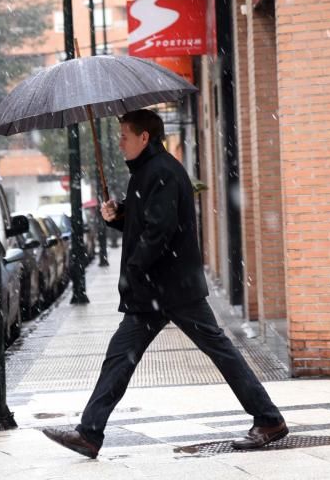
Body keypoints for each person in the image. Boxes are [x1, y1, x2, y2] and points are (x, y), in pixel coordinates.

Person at [42, 109, 287, 459]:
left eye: (125, 135)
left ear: (144, 137)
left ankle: (269, 419)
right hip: (155, 291)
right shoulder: (148, 171)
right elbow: (147, 220)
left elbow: (160, 231)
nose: (120, 141)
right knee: (119, 358)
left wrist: (134, 268)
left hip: (172, 288)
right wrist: (120, 216)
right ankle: (89, 433)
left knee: (220, 351)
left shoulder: (162, 172)